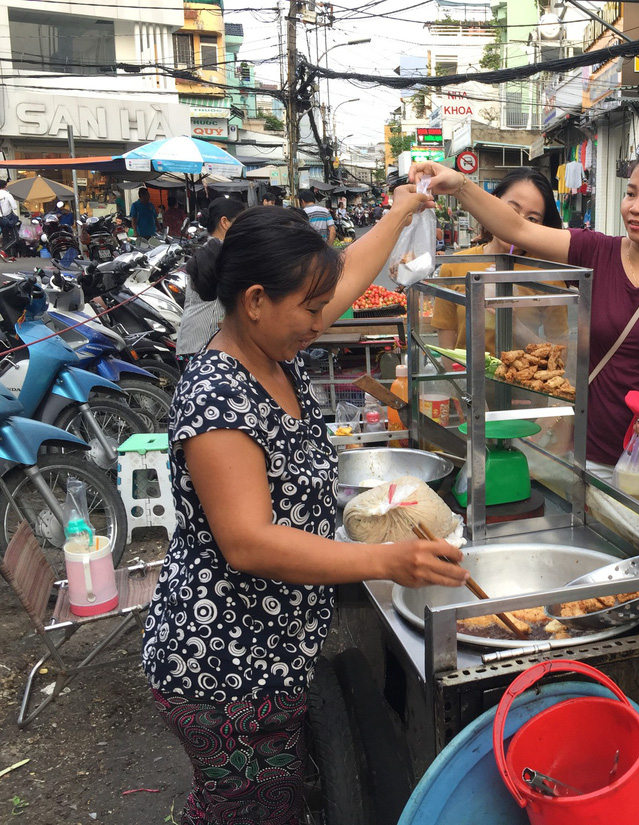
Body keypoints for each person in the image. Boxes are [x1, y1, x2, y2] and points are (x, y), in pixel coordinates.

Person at [142, 191, 468, 825]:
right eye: (311, 309)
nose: (323, 320)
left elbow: (345, 275)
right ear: (256, 300)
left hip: (269, 656)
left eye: (323, 306)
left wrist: (402, 212)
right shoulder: (217, 395)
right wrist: (384, 559)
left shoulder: (272, 351)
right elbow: (249, 542)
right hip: (223, 667)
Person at [410, 145, 639, 530]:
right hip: (595, 457)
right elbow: (517, 228)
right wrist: (459, 186)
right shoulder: (595, 251)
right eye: (630, 193)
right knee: (600, 568)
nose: (635, 207)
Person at [432, 168, 568, 353]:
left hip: (522, 380)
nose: (516, 223)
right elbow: (446, 349)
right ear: (493, 203)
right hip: (466, 381)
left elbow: (561, 355)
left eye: (532, 219)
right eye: (511, 210)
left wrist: (515, 327)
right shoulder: (456, 266)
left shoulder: (548, 277)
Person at [176, 197, 248, 369]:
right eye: (240, 223)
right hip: (203, 346)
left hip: (192, 342)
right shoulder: (218, 252)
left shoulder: (208, 249)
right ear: (225, 222)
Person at [0, 180, 20, 251]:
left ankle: (6, 255)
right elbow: (15, 207)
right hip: (8, 218)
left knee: (5, 236)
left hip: (1, 219)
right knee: (15, 238)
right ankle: (3, 250)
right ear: (5, 186)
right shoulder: (7, 195)